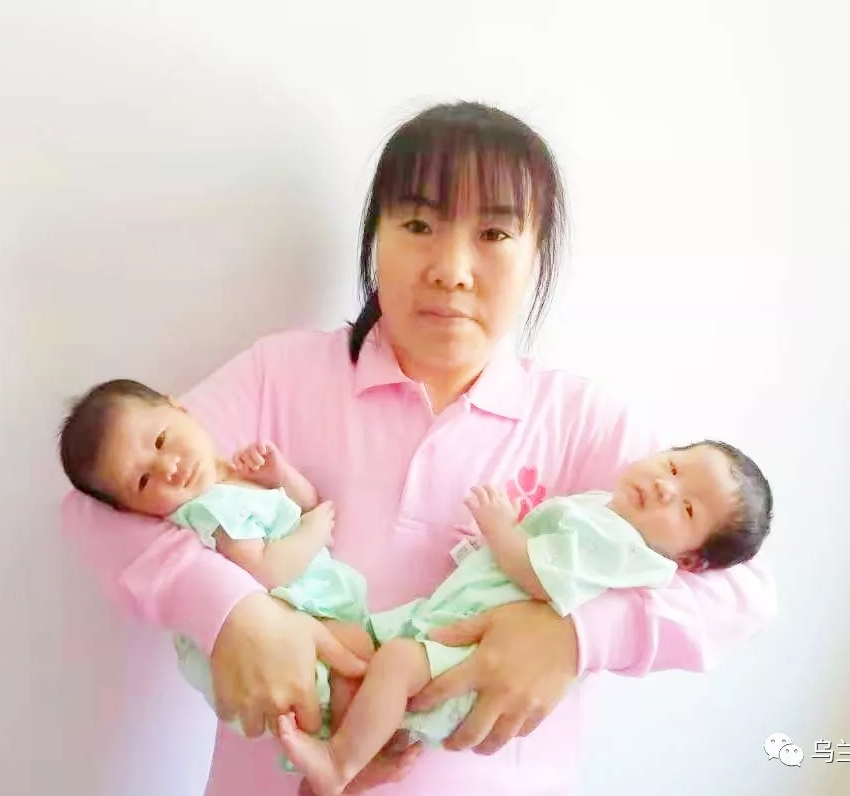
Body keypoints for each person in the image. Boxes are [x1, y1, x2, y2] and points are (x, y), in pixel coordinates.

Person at [60, 100, 777, 796]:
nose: (451, 269)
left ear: (537, 253)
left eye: (493, 233)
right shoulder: (279, 376)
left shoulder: (581, 421)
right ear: (376, 235)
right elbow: (97, 505)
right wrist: (229, 610)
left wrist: (574, 637)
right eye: (418, 224)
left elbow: (741, 590)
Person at [276, 440, 773, 795]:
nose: (666, 487)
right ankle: (355, 761)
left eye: (688, 509)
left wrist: (500, 528)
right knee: (350, 649)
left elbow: (538, 576)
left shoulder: (621, 545)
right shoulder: (605, 512)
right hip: (444, 627)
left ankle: (340, 764)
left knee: (394, 664)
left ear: (690, 560)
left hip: (474, 662)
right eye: (674, 466)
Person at [56, 379, 373, 773]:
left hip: (308, 619)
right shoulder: (213, 510)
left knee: (371, 677)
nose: (169, 468)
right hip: (297, 626)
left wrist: (283, 476)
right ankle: (343, 758)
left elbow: (304, 505)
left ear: (179, 408)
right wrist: (313, 532)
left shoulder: (234, 478)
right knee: (360, 658)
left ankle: (348, 756)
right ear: (133, 510)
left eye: (160, 441)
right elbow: (264, 571)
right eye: (143, 481)